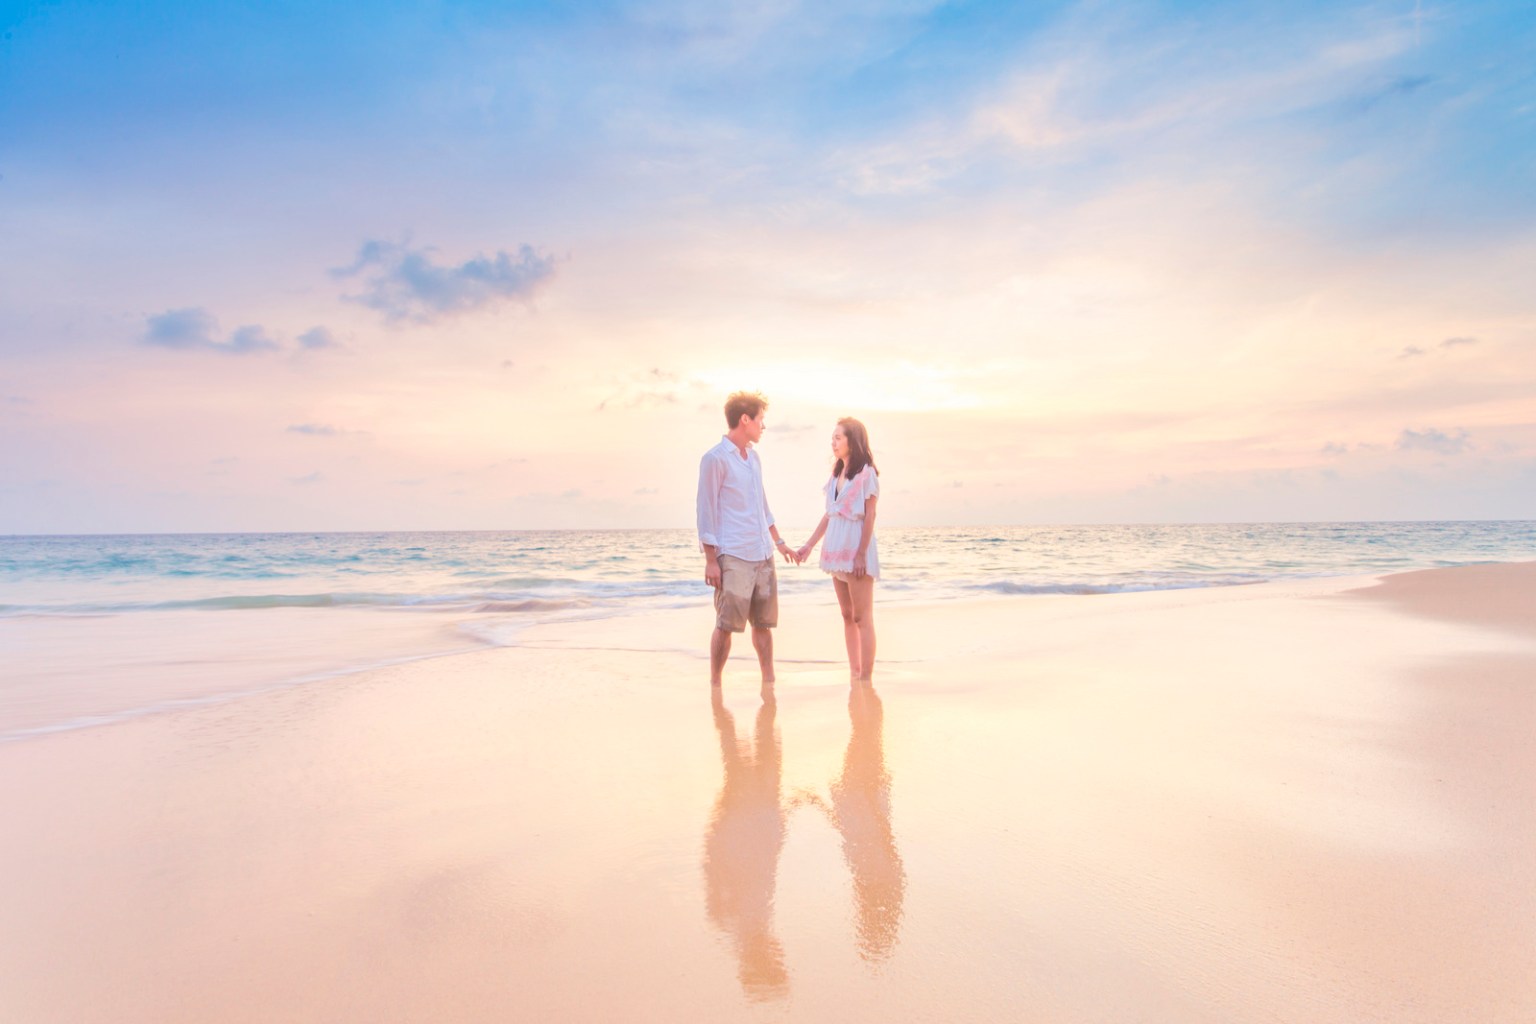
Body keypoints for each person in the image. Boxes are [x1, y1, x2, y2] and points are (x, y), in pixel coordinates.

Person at [697, 391, 798, 691]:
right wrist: (711, 560)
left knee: (764, 626)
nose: (763, 426)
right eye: (760, 420)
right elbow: (705, 511)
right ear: (745, 419)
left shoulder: (753, 458)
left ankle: (769, 683)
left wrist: (779, 543)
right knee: (726, 625)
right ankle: (715, 684)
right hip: (734, 555)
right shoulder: (714, 459)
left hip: (763, 554)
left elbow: (761, 505)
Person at [796, 418, 880, 682]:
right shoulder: (835, 475)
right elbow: (829, 515)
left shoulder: (868, 473)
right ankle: (854, 672)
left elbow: (870, 516)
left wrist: (860, 554)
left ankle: (866, 677)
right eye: (832, 438)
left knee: (861, 616)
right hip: (835, 548)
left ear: (852, 441)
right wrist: (809, 545)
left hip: (856, 547)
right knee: (846, 614)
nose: (833, 442)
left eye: (838, 438)